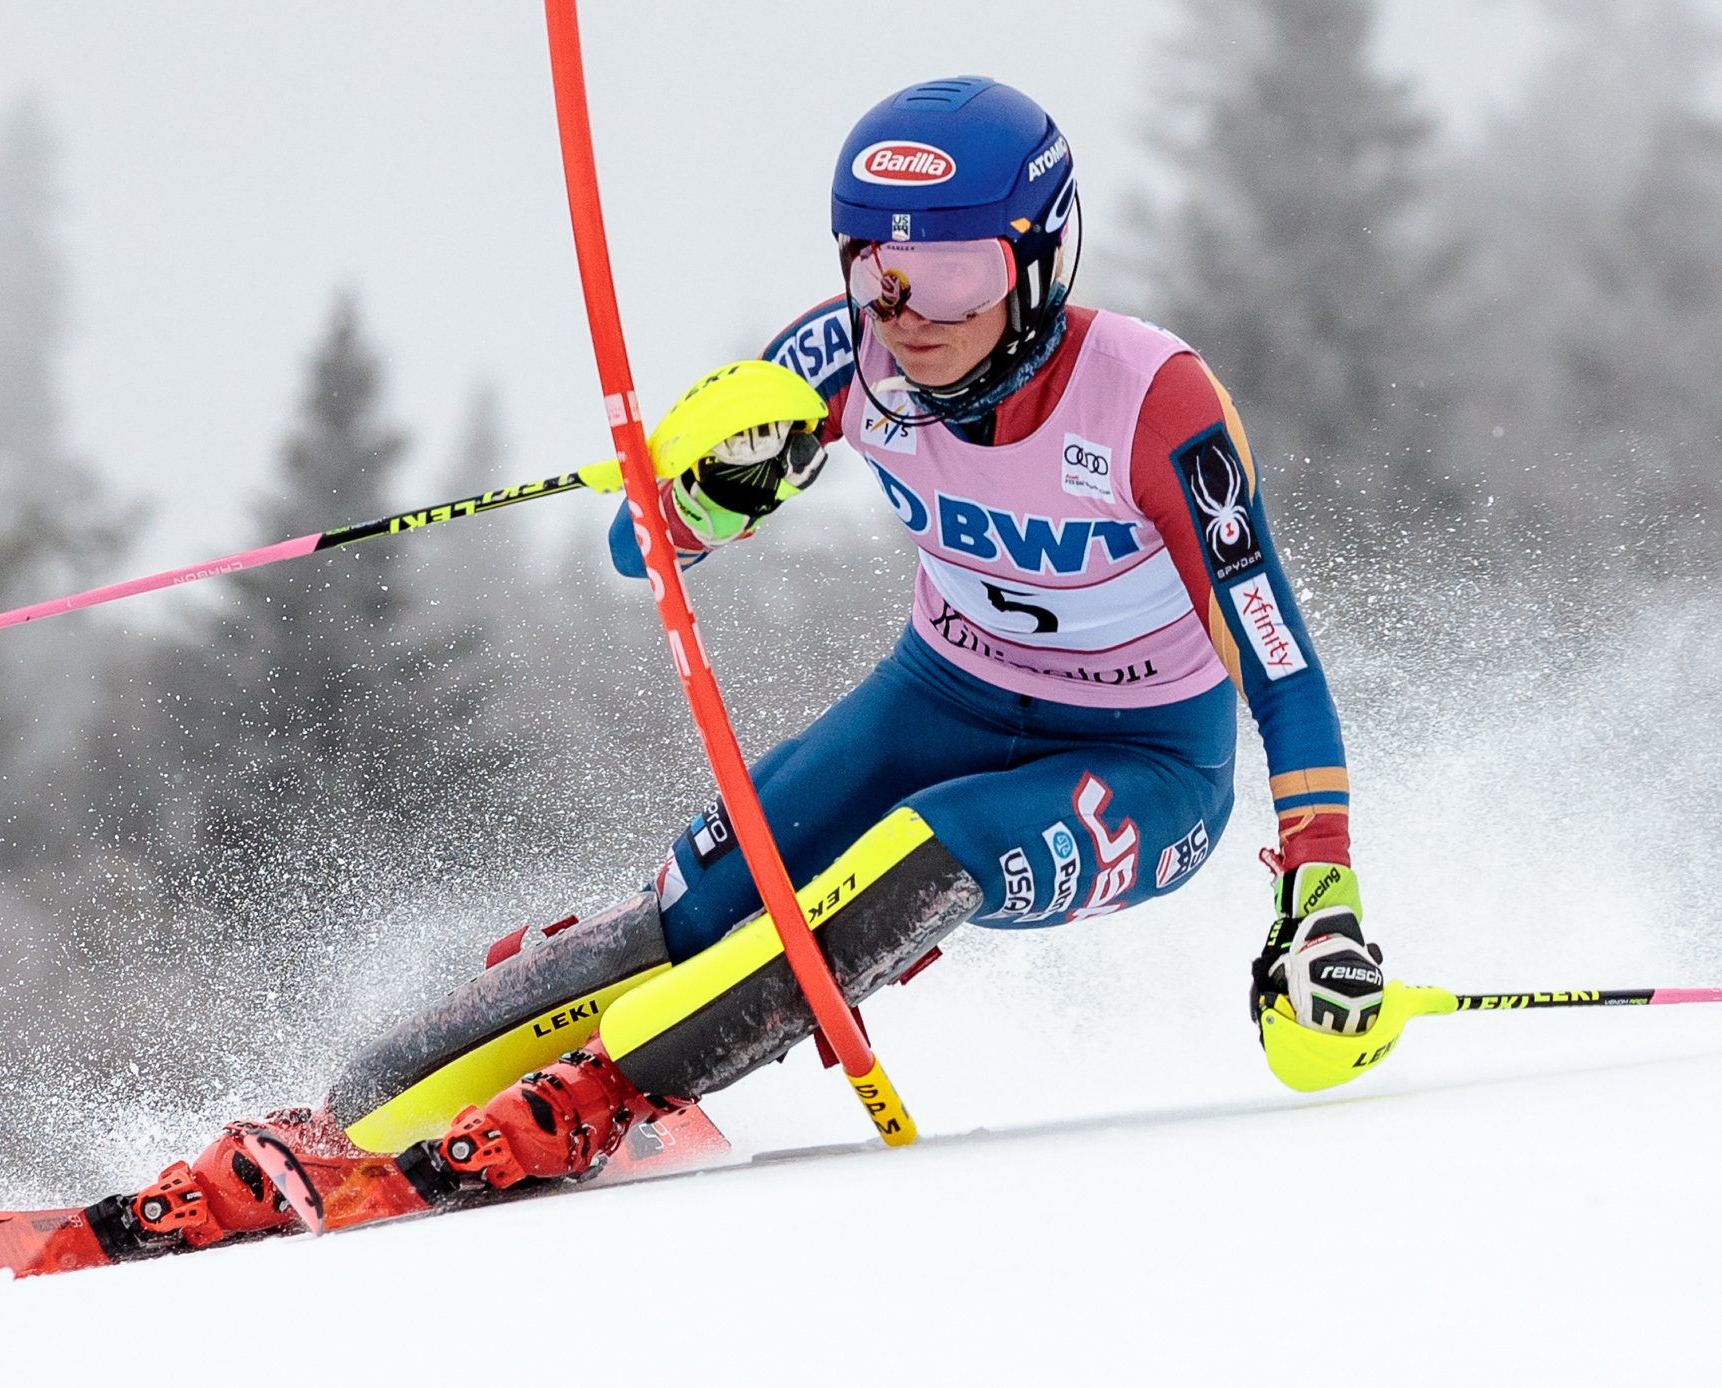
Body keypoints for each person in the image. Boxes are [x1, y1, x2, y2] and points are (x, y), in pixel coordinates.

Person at [130, 76, 1384, 1244]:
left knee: (920, 852)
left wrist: (1317, 893)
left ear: (1042, 259)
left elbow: (1275, 658)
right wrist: (713, 498)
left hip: (1142, 759)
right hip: (939, 696)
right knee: (700, 906)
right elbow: (638, 548)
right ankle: (349, 1115)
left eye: (950, 276)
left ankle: (608, 1094)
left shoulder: (1153, 402)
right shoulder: (847, 356)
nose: (908, 315)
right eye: (876, 271)